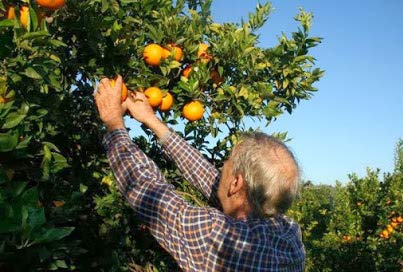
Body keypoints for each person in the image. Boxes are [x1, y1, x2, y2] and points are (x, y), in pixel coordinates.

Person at [94, 76, 305, 271]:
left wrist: (114, 124)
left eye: (226, 164)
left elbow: (149, 191)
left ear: (236, 184)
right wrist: (152, 121)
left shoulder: (217, 236)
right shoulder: (290, 236)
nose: (220, 170)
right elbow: (209, 179)